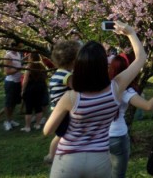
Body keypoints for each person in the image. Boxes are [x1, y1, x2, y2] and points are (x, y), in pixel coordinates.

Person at [43, 21, 146, 178]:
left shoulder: (70, 97)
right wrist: (130, 32)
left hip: (68, 159)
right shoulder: (116, 89)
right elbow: (141, 58)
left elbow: (47, 130)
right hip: (99, 159)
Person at [108, 56, 153, 178]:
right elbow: (148, 106)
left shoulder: (101, 86)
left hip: (99, 137)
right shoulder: (125, 90)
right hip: (117, 136)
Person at [44, 40, 81, 164]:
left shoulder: (58, 73)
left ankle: (52, 154)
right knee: (62, 135)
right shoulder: (68, 76)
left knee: (61, 135)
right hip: (62, 111)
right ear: (73, 60)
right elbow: (78, 88)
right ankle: (51, 155)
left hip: (56, 109)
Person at [20, 51, 48, 132]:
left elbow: (25, 80)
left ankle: (27, 127)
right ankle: (37, 124)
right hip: (40, 87)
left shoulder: (29, 66)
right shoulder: (42, 66)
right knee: (38, 107)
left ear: (31, 58)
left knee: (28, 108)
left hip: (30, 88)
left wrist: (22, 90)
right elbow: (46, 76)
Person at [1, 39, 24, 131]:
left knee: (14, 102)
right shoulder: (8, 56)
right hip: (11, 82)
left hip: (17, 81)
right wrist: (20, 68)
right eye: (18, 47)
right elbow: (7, 72)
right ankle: (7, 121)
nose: (20, 48)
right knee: (9, 103)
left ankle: (11, 120)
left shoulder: (18, 54)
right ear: (14, 46)